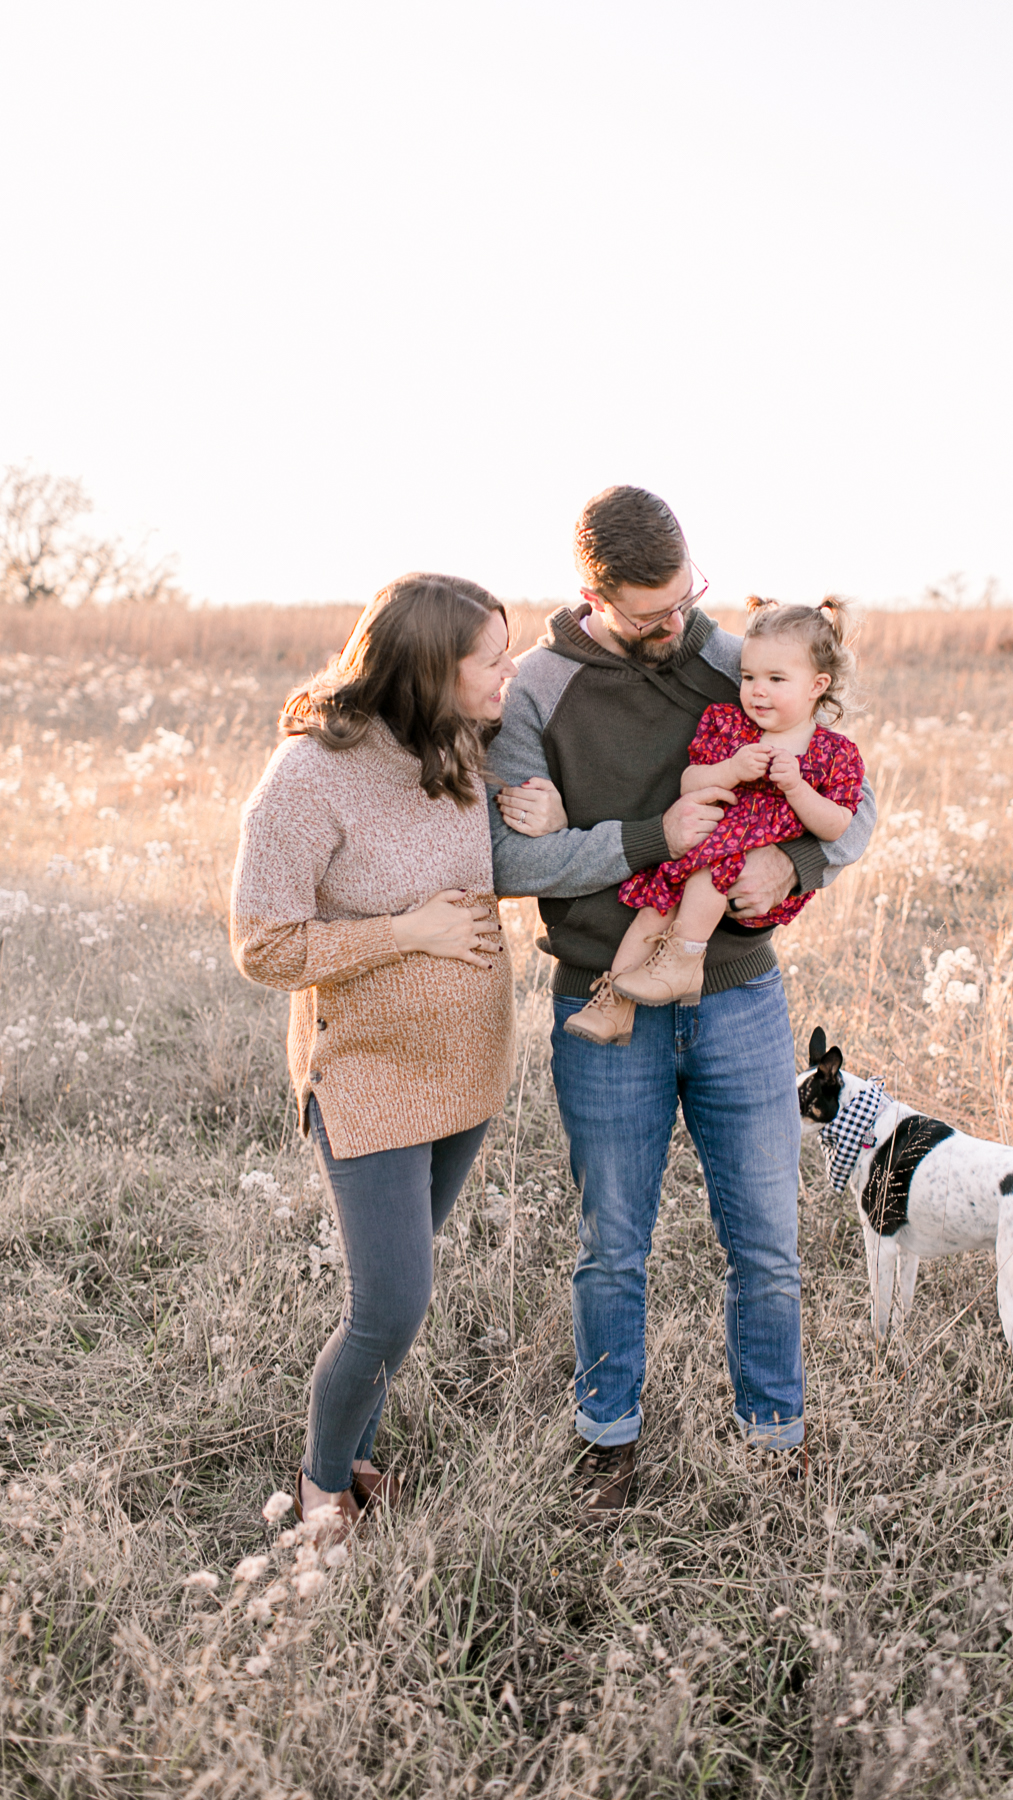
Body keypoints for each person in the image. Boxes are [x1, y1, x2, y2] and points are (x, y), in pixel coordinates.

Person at [487, 485, 876, 1511]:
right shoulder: (534, 692)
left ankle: (775, 1436)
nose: (683, 626)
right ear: (592, 595)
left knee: (767, 1241)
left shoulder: (729, 656)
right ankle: (607, 1441)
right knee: (613, 1245)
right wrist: (647, 836)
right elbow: (505, 856)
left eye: (688, 597)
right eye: (656, 611)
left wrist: (794, 870)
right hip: (604, 996)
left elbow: (853, 802)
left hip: (739, 993)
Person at [231, 573, 517, 1539]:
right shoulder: (308, 775)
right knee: (389, 1306)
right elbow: (263, 944)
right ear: (430, 668)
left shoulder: (459, 749)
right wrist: (407, 933)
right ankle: (320, 1490)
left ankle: (356, 1456)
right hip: (368, 1073)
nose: (508, 674)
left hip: (467, 1070)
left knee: (408, 1290)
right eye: (492, 658)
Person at [555, 595, 866, 1042]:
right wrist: (732, 768)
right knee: (652, 911)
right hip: (699, 852)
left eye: (776, 679)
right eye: (748, 676)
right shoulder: (730, 726)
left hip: (739, 873)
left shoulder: (834, 754)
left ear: (818, 685)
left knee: (709, 878)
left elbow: (837, 825)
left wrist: (796, 788)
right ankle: (613, 1007)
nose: (757, 690)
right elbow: (691, 781)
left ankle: (684, 961)